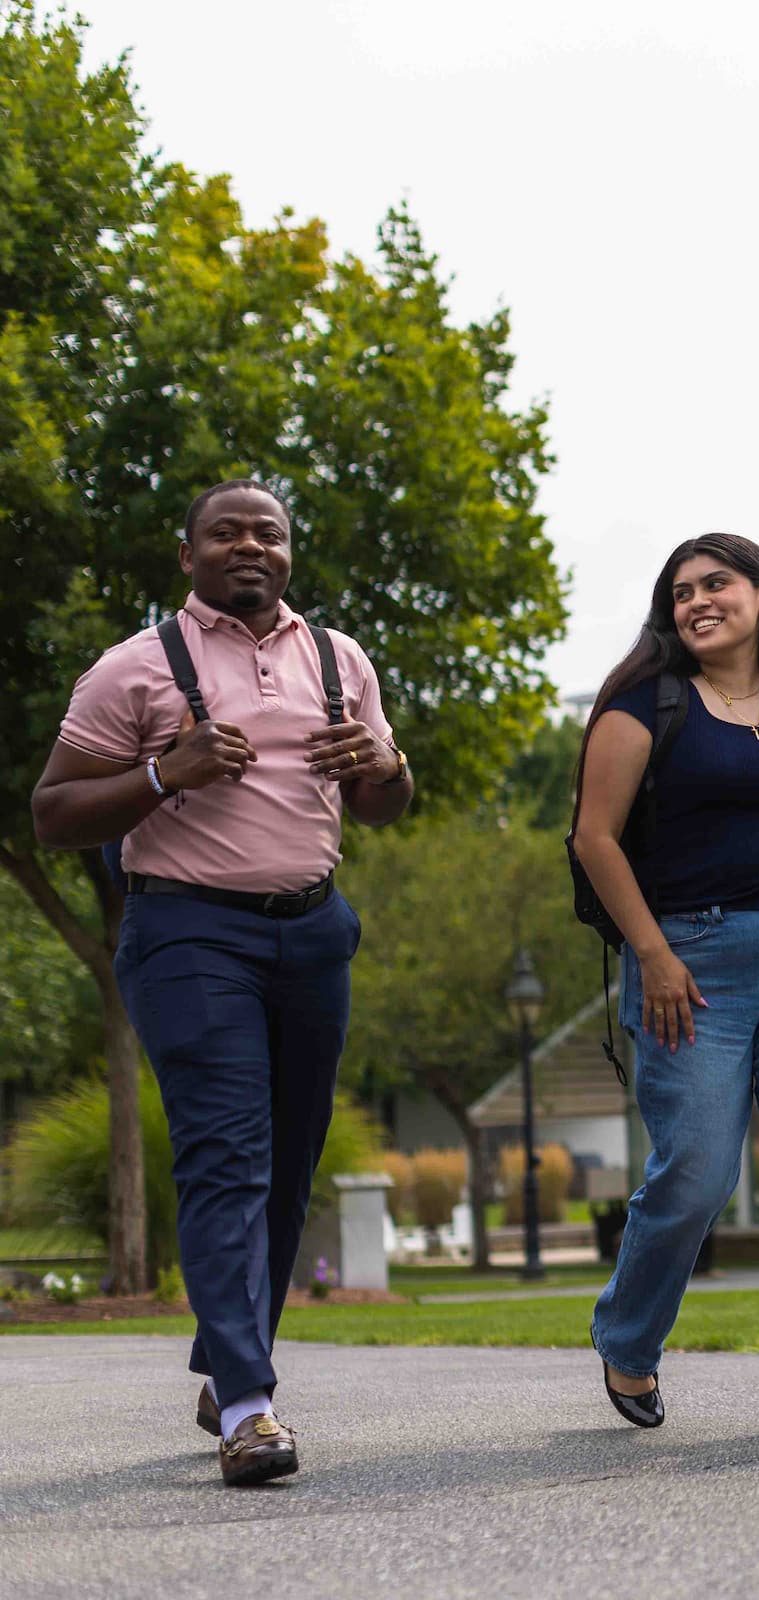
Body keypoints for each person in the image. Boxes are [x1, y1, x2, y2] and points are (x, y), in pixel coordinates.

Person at [30, 479, 414, 1486]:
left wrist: (386, 758)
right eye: (225, 531)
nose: (249, 544)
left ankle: (224, 1367)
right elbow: (53, 810)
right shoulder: (135, 669)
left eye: (268, 532)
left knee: (289, 1166)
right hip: (190, 933)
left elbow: (382, 803)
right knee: (224, 1157)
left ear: (289, 552)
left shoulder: (340, 658)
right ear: (189, 551)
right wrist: (164, 775)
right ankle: (249, 1408)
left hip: (314, 929)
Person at [574, 534, 759, 1443]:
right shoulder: (642, 702)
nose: (698, 601)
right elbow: (595, 838)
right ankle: (628, 1333)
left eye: (717, 584)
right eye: (682, 591)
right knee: (697, 1175)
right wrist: (653, 954)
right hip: (689, 960)